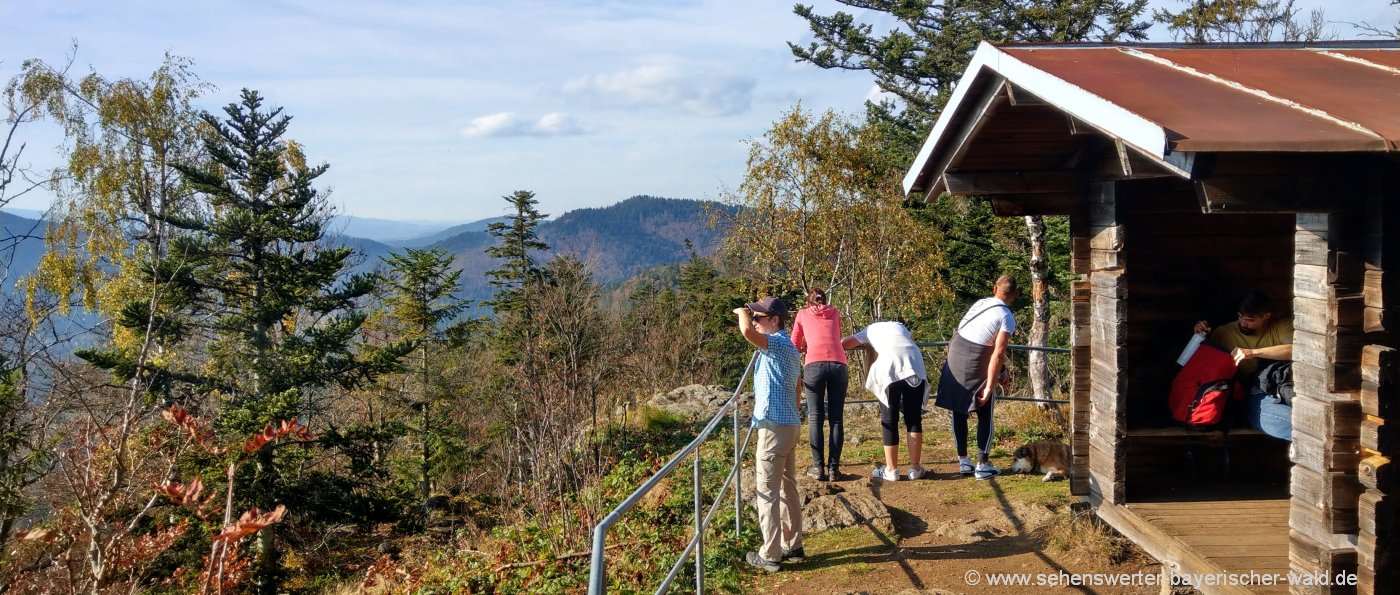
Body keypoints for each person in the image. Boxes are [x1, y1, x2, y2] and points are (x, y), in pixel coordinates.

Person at [733, 297, 804, 573]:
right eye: (753, 317)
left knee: (767, 491)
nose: (755, 322)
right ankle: (794, 545)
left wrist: (741, 313)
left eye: (759, 318)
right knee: (788, 487)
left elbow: (746, 332)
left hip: (773, 428)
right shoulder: (790, 347)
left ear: (775, 321)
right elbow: (797, 386)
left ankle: (771, 554)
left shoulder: (776, 344)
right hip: (788, 424)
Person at [936, 275, 1020, 480]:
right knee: (985, 411)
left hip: (955, 355)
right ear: (1015, 295)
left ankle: (964, 461)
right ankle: (982, 464)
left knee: (959, 411)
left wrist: (1001, 370)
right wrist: (990, 385)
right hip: (974, 358)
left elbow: (983, 339)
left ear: (994, 289)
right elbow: (997, 353)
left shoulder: (981, 303)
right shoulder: (1006, 317)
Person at [1193, 290, 1294, 440]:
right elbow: (1201, 366)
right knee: (1291, 424)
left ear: (1266, 316)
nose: (1243, 323)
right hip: (1250, 393)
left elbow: (1295, 350)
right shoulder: (1225, 332)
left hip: (1281, 385)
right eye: (1240, 317)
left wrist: (1253, 352)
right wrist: (1200, 337)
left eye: (1250, 320)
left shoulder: (1281, 326)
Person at [841, 319, 929, 482]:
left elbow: (845, 343)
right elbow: (911, 340)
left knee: (889, 419)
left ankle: (891, 470)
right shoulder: (900, 326)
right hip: (914, 362)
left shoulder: (869, 329)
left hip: (889, 366)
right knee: (914, 417)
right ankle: (915, 468)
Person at [791, 287, 849, 481]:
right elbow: (836, 335)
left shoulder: (802, 314)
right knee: (836, 419)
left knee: (815, 417)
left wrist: (806, 346)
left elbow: (794, 343)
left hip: (814, 365)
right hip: (839, 363)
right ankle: (834, 469)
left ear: (808, 302)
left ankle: (818, 469)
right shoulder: (835, 312)